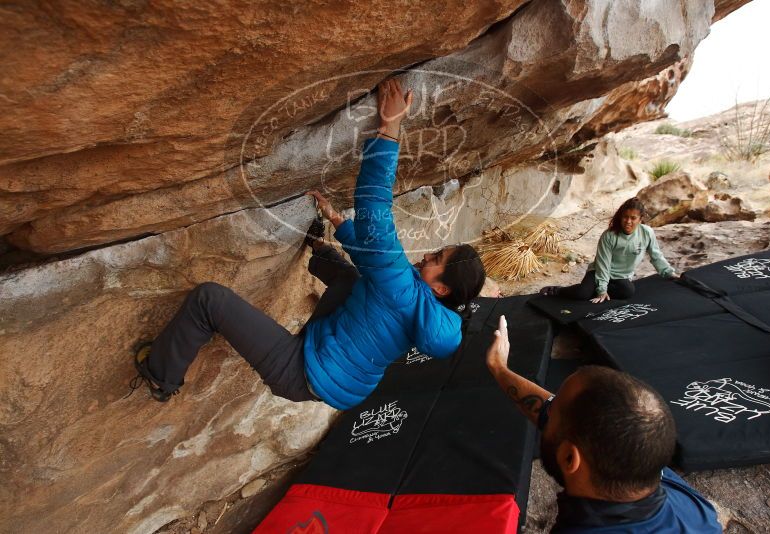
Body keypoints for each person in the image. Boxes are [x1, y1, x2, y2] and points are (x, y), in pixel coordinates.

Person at [128, 78, 486, 410]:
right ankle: (318, 252)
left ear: (440, 288)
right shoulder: (430, 312)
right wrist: (336, 224)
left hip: (299, 371)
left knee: (208, 299)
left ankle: (161, 377)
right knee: (353, 279)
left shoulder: (404, 290)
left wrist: (389, 128)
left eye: (437, 257)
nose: (427, 255)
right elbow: (375, 265)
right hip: (341, 381)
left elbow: (374, 207)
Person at [486, 316, 722, 533]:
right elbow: (553, 412)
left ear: (570, 458)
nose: (548, 410)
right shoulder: (685, 502)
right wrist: (499, 369)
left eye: (554, 411)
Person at [540, 197, 678, 303]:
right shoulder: (609, 236)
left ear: (640, 219)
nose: (628, 221)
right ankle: (558, 290)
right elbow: (603, 264)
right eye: (625, 217)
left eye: (633, 218)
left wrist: (668, 273)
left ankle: (593, 289)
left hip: (621, 277)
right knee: (581, 294)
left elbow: (656, 255)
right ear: (620, 217)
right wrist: (601, 290)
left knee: (628, 291)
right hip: (598, 272)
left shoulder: (647, 233)